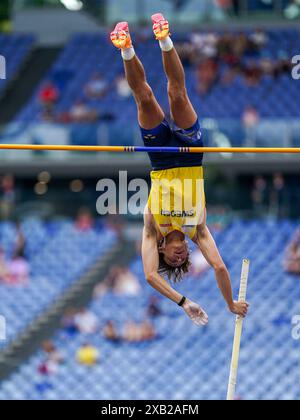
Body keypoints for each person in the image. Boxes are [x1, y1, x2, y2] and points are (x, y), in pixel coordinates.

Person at [110, 14, 249, 327]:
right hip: (190, 157)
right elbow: (220, 268)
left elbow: (148, 275)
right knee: (177, 94)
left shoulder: (151, 229)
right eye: (184, 257)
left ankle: (129, 47)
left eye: (175, 258)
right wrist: (230, 304)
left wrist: (182, 302)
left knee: (144, 97)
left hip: (159, 159)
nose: (182, 255)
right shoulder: (197, 231)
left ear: (162, 249)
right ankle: (163, 39)